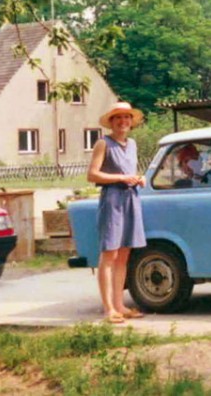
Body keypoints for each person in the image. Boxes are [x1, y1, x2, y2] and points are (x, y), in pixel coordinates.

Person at [88, 101, 147, 323]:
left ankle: (120, 305)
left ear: (132, 122)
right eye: (118, 118)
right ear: (111, 122)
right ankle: (108, 308)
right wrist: (121, 178)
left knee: (124, 254)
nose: (123, 122)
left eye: (127, 118)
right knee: (109, 254)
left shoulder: (132, 144)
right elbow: (93, 175)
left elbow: (130, 171)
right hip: (112, 200)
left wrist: (139, 178)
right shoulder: (103, 143)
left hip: (131, 199)